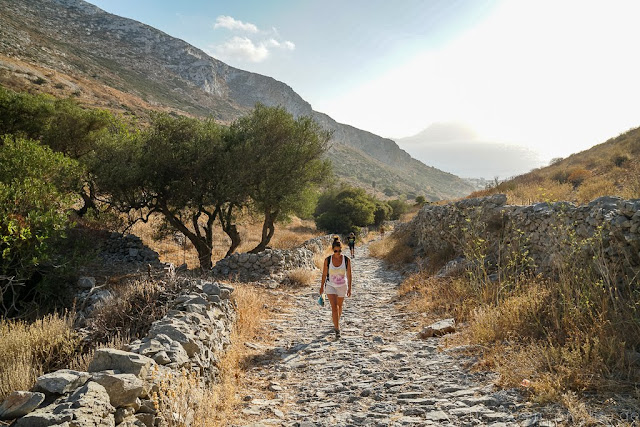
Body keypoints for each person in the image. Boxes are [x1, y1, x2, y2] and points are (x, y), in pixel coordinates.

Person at [319, 237, 352, 338]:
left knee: (339, 306)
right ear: (333, 249)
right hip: (330, 285)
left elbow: (349, 275)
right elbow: (324, 274)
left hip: (342, 286)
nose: (338, 252)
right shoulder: (327, 260)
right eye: (336, 250)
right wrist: (321, 287)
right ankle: (337, 329)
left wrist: (350, 288)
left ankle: (336, 320)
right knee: (334, 307)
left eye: (340, 250)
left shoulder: (346, 260)